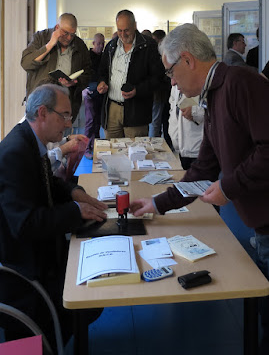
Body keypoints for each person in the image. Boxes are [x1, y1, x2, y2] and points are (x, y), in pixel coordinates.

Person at [129, 23, 269, 355]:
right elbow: (205, 166)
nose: (172, 81)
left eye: (171, 72)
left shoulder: (241, 82)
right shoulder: (216, 91)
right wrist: (157, 203)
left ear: (188, 60)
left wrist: (229, 187)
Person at [0, 84, 107, 349]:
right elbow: (24, 224)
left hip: (43, 254)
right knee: (87, 299)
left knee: (94, 294)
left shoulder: (30, 141)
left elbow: (49, 184)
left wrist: (75, 193)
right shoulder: (14, 152)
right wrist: (74, 212)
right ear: (42, 112)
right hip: (24, 273)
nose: (69, 125)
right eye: (65, 115)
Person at [97, 9, 164, 138]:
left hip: (136, 111)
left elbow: (158, 78)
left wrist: (137, 90)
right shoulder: (111, 46)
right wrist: (102, 82)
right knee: (113, 152)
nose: (122, 34)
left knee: (135, 153)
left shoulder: (148, 46)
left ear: (135, 26)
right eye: (119, 30)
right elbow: (102, 71)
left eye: (126, 30)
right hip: (112, 109)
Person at [21, 13, 91, 121]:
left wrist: (75, 82)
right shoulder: (41, 37)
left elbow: (88, 73)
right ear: (57, 27)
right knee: (37, 137)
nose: (69, 38)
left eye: (72, 34)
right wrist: (49, 45)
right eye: (65, 33)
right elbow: (26, 63)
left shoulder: (79, 45)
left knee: (62, 137)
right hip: (39, 105)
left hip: (65, 108)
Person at [168, 86, 204, 170]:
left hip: (198, 149)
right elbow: (172, 105)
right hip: (181, 147)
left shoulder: (204, 80)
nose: (172, 82)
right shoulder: (175, 84)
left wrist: (196, 111)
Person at [149, 29, 173, 149]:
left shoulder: (157, 54)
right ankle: (156, 146)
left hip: (159, 93)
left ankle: (158, 144)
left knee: (157, 121)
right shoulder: (159, 54)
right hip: (159, 93)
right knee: (156, 121)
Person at [83, 33, 105, 159]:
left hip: (100, 93)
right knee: (90, 122)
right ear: (93, 43)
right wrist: (84, 89)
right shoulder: (87, 57)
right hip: (90, 93)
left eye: (103, 43)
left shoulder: (103, 57)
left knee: (98, 122)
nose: (101, 46)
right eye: (98, 43)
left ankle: (96, 146)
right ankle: (87, 148)